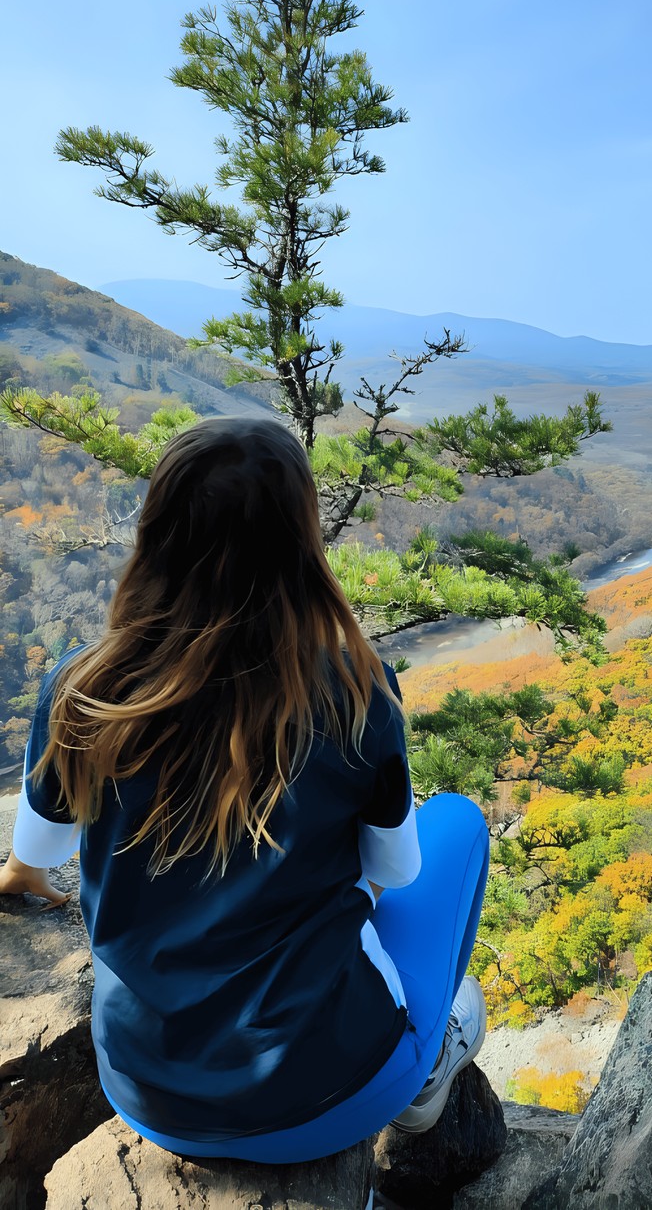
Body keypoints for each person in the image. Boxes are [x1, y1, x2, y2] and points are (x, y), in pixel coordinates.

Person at [0, 416, 490, 1168]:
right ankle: (422, 1071)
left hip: (146, 1093)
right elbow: (395, 874)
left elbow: (36, 852)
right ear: (302, 546)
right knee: (459, 823)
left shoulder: (84, 686)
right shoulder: (355, 692)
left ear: (156, 533)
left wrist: (24, 878)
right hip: (330, 1097)